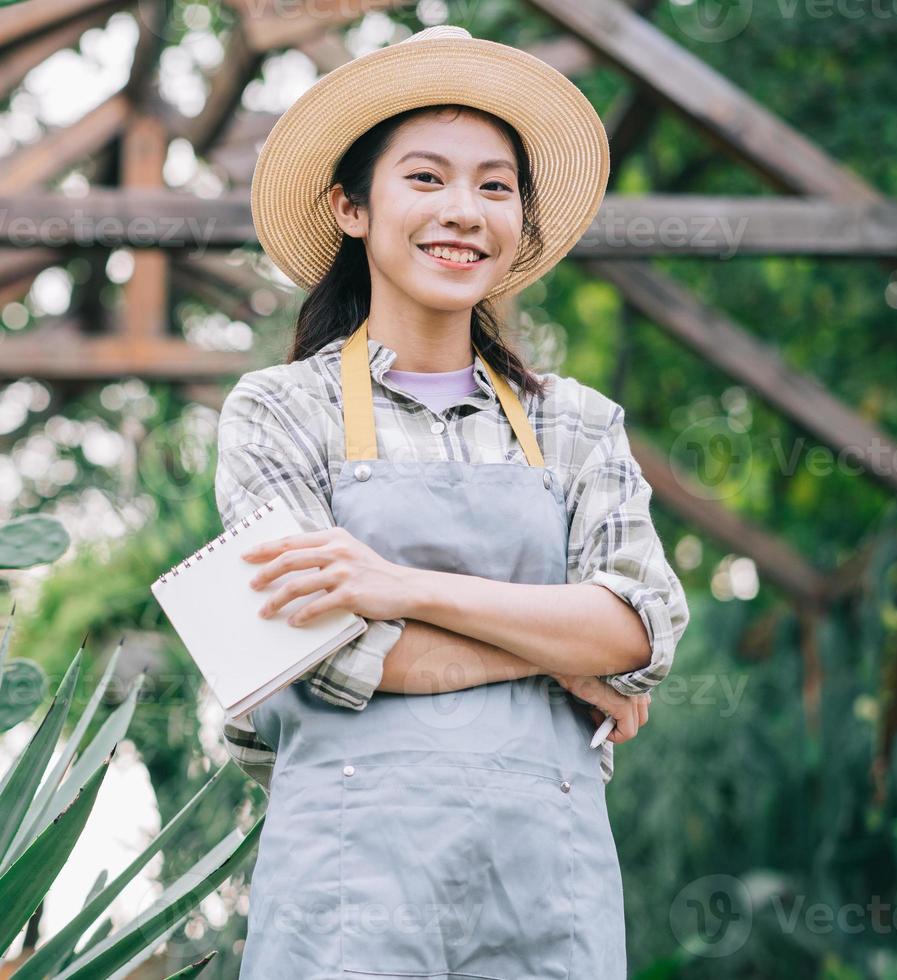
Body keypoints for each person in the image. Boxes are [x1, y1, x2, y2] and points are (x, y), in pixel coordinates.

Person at [214, 23, 693, 979]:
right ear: (352, 207)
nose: (463, 210)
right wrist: (555, 655)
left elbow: (642, 629)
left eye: (494, 185)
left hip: (544, 896)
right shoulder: (277, 412)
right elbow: (308, 657)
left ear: (518, 219)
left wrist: (397, 587)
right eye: (425, 179)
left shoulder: (577, 423)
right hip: (344, 905)